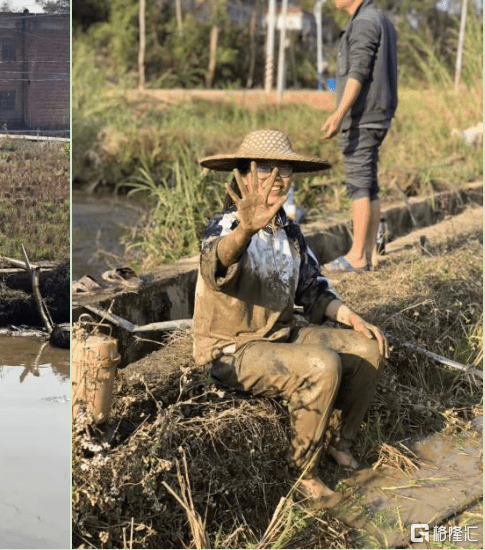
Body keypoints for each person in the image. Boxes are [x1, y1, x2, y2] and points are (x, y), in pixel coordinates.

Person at [193, 129, 389, 499]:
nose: (276, 177)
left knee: (367, 348)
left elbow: (313, 288)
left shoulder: (290, 232)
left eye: (284, 169)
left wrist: (350, 316)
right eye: (264, 168)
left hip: (280, 336)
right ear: (244, 176)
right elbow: (213, 266)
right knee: (321, 364)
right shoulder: (225, 225)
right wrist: (244, 231)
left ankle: (339, 443)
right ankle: (302, 471)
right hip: (231, 350)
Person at [320, 0, 397, 272]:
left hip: (362, 117)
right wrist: (329, 86)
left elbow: (358, 72)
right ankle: (370, 254)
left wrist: (339, 114)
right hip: (377, 115)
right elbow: (350, 75)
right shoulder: (379, 19)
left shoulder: (364, 22)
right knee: (369, 184)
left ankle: (356, 256)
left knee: (359, 185)